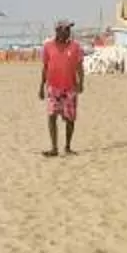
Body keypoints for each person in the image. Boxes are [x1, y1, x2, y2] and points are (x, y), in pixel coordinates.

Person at [39, 20, 86, 157]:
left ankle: (68, 147)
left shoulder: (76, 47)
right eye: (65, 29)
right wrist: (41, 86)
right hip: (53, 88)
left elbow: (79, 67)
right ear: (58, 31)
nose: (68, 32)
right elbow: (45, 67)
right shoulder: (48, 47)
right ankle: (54, 148)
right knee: (52, 116)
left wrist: (81, 82)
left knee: (70, 118)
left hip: (70, 88)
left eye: (69, 29)